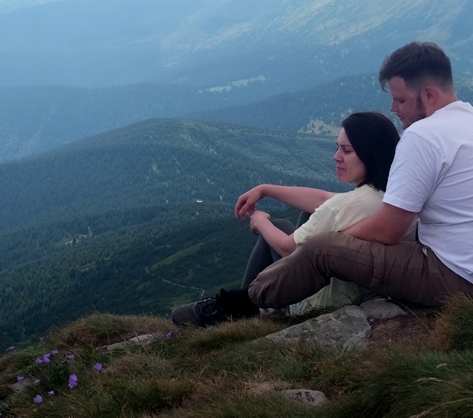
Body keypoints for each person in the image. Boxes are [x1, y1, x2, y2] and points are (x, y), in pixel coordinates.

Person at [173, 41, 473, 326]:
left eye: (400, 99)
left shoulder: (425, 135)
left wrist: (332, 236)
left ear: (428, 95)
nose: (394, 109)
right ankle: (250, 299)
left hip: (466, 277)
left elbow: (387, 229)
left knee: (322, 247)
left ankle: (252, 298)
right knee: (322, 239)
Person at [172, 111, 402, 326]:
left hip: (320, 302)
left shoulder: (348, 206)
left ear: (371, 153)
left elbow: (288, 250)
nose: (336, 157)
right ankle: (246, 306)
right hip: (360, 291)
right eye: (337, 148)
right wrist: (266, 189)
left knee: (277, 227)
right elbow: (323, 199)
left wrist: (261, 221)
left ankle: (239, 308)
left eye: (346, 151)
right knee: (305, 214)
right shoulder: (392, 198)